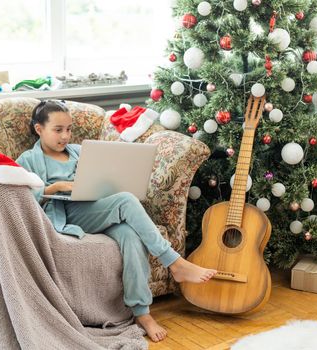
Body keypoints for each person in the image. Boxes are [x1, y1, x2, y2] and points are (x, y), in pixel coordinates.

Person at [16, 100, 216, 342]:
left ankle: (141, 312)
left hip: (95, 207)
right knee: (126, 201)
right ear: (39, 129)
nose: (65, 135)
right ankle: (174, 262)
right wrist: (57, 186)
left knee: (131, 237)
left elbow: (100, 178)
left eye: (69, 129)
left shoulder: (79, 151)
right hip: (67, 213)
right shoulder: (28, 159)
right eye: (58, 130)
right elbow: (23, 197)